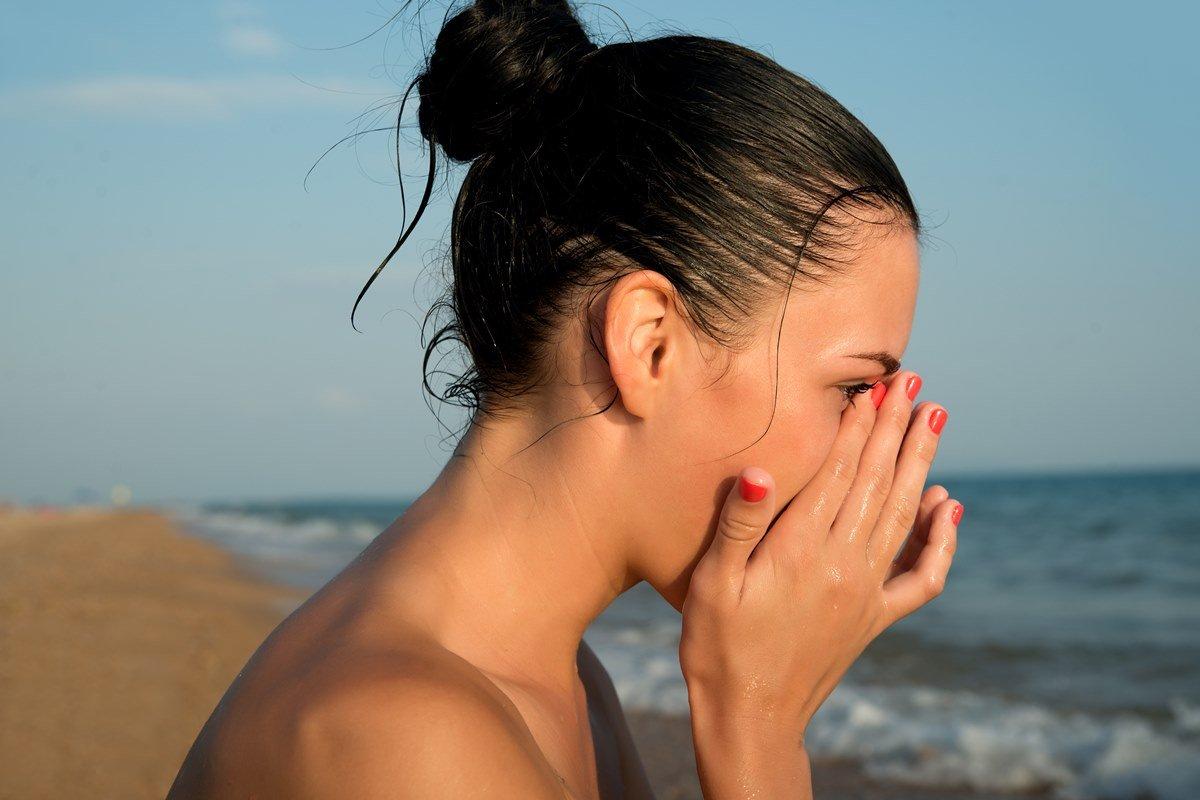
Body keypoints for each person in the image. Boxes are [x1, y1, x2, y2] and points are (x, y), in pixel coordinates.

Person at [168, 1, 962, 797]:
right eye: (853, 388)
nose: (872, 445)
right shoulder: (403, 742)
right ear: (648, 344)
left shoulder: (558, 679)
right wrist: (756, 730)